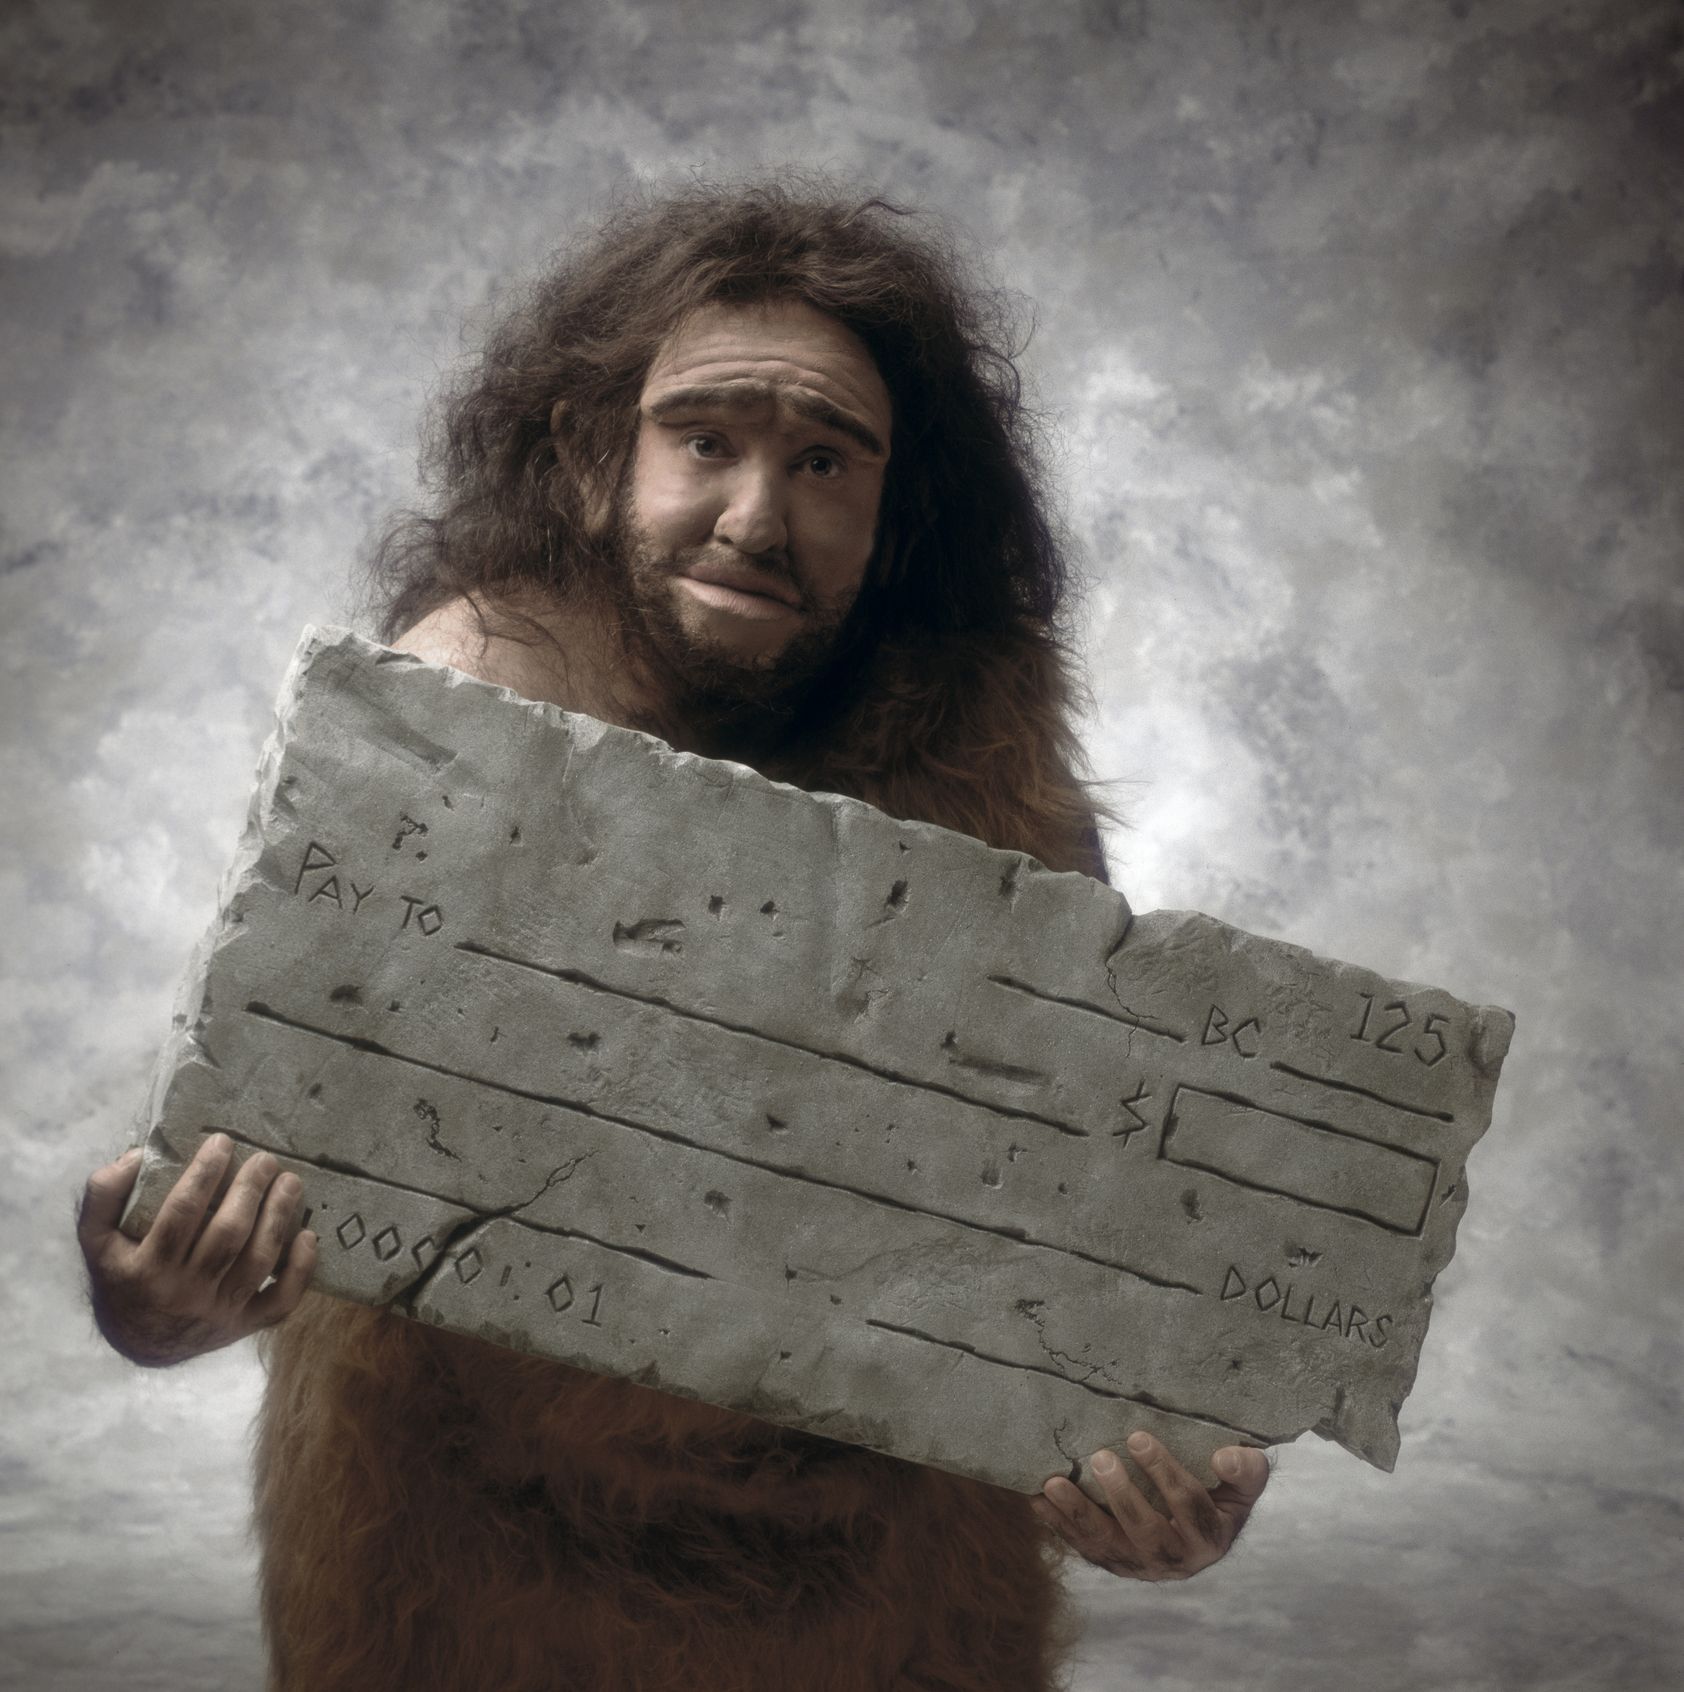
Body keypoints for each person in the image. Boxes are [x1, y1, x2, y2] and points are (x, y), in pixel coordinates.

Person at [78, 178, 1271, 1691]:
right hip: (458, 1559)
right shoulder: (442, 723)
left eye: (824, 460)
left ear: (899, 512)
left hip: (875, 1588)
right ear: (592, 451)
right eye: (703, 439)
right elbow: (245, 1184)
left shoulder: (998, 784)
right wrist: (158, 1293)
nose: (756, 515)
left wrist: (1167, 1467)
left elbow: (1106, 1244)